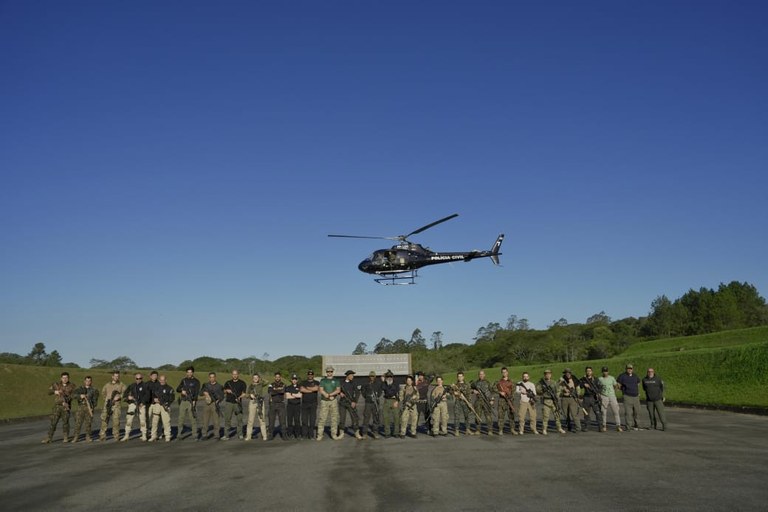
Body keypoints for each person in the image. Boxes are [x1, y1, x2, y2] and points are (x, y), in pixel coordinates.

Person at [43, 371, 76, 444]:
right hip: (57, 407)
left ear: (68, 378)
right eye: (63, 378)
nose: (65, 379)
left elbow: (74, 395)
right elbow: (48, 392)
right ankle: (49, 437)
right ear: (61, 378)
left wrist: (67, 401)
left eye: (66, 377)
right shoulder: (56, 385)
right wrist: (55, 392)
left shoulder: (72, 386)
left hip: (66, 406)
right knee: (53, 422)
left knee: (66, 423)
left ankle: (66, 437)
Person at [98, 370, 126, 441]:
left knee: (116, 421)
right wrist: (106, 399)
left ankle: (116, 436)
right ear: (112, 376)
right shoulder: (107, 385)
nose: (116, 377)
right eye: (115, 376)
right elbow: (103, 392)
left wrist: (120, 396)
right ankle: (102, 435)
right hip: (107, 404)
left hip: (116, 405)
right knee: (104, 419)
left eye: (118, 376)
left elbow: (126, 393)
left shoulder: (121, 385)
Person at [122, 372, 150, 441]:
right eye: (137, 378)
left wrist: (142, 403)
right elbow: (125, 394)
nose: (138, 380)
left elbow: (147, 395)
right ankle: (126, 435)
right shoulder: (132, 385)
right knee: (129, 420)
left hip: (141, 405)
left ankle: (144, 435)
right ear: (135, 378)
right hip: (132, 404)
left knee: (142, 420)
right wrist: (128, 397)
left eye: (140, 378)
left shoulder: (145, 385)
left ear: (142, 378)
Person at [316, 366, 342, 440]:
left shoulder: (336, 380)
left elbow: (338, 390)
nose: (329, 373)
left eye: (330, 372)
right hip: (324, 401)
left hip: (333, 401)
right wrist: (326, 395)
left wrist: (331, 394)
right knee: (322, 418)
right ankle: (320, 435)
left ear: (332, 372)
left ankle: (334, 434)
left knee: (334, 418)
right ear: (326, 372)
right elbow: (321, 389)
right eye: (328, 372)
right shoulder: (323, 380)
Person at [537, 369, 565, 435]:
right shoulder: (541, 382)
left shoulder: (554, 382)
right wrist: (542, 389)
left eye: (549, 374)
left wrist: (556, 396)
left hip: (554, 401)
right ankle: (544, 429)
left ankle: (559, 428)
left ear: (551, 375)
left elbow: (558, 390)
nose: (548, 375)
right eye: (546, 374)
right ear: (544, 375)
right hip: (546, 401)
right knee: (545, 416)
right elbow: (538, 391)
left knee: (557, 415)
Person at [176, 366, 200, 441]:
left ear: (193, 373)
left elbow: (196, 393)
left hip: (191, 401)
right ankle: (179, 435)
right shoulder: (183, 380)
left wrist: (194, 402)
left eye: (190, 372)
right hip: (183, 401)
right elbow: (177, 389)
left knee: (193, 418)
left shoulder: (196, 381)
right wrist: (181, 391)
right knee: (181, 418)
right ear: (186, 373)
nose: (189, 373)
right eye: (188, 372)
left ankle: (195, 435)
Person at [72, 376, 99, 443]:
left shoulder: (94, 390)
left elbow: (95, 400)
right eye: (86, 381)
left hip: (89, 407)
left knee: (88, 423)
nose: (88, 382)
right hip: (81, 407)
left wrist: (92, 407)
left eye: (89, 381)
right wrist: (80, 396)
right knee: (78, 423)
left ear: (91, 382)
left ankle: (88, 436)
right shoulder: (80, 389)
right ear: (84, 381)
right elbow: (73, 395)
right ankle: (76, 437)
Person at [222, 369, 247, 440]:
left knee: (239, 419)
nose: (235, 375)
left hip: (237, 403)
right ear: (231, 375)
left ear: (238, 374)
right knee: (227, 419)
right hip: (229, 403)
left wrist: (239, 397)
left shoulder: (242, 383)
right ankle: (226, 435)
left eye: (236, 374)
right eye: (233, 374)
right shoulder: (228, 382)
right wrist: (227, 390)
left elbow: (244, 393)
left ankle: (240, 434)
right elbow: (223, 390)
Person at [148, 375, 174, 442]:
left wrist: (164, 401)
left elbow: (171, 398)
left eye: (163, 380)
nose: (162, 381)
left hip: (165, 406)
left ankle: (167, 436)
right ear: (159, 380)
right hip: (157, 406)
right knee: (154, 422)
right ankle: (153, 436)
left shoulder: (169, 388)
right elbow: (152, 396)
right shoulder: (156, 388)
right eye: (161, 380)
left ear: (166, 380)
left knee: (166, 422)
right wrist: (155, 400)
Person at [617, 364, 643, 430]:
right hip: (627, 396)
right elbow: (618, 384)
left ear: (632, 369)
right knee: (628, 413)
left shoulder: (635, 375)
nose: (629, 370)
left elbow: (638, 383)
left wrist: (636, 391)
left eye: (631, 368)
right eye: (628, 368)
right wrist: (622, 390)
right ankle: (628, 426)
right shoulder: (622, 376)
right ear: (626, 369)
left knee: (637, 412)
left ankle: (637, 425)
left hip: (636, 396)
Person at [451, 371, 478, 436]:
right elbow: (451, 391)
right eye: (459, 376)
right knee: (457, 416)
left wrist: (470, 403)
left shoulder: (467, 385)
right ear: (457, 377)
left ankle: (467, 429)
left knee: (467, 416)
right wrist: (454, 393)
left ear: (463, 377)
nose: (460, 378)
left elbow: (469, 394)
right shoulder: (455, 385)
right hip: (457, 402)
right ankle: (457, 430)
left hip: (466, 402)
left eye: (461, 376)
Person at [339, 370, 363, 439]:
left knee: (354, 418)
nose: (353, 376)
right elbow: (337, 389)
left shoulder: (354, 383)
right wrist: (339, 393)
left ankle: (357, 433)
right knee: (342, 418)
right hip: (342, 403)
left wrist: (354, 402)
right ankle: (341, 433)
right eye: (351, 375)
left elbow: (358, 393)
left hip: (351, 402)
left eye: (353, 375)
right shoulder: (341, 383)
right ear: (347, 375)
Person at [598, 366, 623, 432]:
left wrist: (616, 389)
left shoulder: (612, 378)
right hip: (604, 396)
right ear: (602, 372)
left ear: (608, 372)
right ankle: (604, 425)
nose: (605, 372)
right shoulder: (600, 379)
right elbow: (598, 387)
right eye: (604, 371)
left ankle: (618, 425)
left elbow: (615, 386)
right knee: (603, 411)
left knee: (616, 411)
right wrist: (599, 395)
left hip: (612, 396)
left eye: (606, 371)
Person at [201, 372, 224, 440]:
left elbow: (222, 396)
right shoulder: (205, 385)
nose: (212, 378)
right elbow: (200, 393)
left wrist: (218, 400)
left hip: (215, 404)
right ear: (209, 378)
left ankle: (216, 435)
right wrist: (205, 393)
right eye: (210, 377)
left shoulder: (219, 386)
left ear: (215, 377)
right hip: (207, 404)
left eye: (213, 377)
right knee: (205, 420)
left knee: (216, 421)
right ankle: (204, 435)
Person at [579, 367, 604, 432]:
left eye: (590, 371)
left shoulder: (595, 379)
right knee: (586, 413)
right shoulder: (583, 379)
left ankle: (600, 427)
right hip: (586, 397)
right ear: (586, 372)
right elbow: (579, 384)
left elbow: (600, 387)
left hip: (594, 397)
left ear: (592, 372)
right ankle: (586, 426)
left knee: (598, 412)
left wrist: (597, 393)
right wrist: (584, 384)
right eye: (587, 371)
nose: (588, 372)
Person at [471, 370, 495, 435]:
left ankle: (490, 430)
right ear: (478, 375)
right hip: (478, 401)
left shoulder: (488, 383)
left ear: (484, 375)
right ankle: (478, 430)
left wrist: (492, 400)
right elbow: (469, 389)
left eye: (482, 374)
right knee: (477, 416)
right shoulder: (475, 383)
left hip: (486, 401)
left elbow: (492, 391)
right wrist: (473, 391)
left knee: (488, 416)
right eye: (480, 374)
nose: (481, 375)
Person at [245, 373, 267, 441]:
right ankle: (248, 436)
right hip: (252, 402)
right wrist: (250, 395)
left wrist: (261, 378)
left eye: (257, 377)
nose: (255, 379)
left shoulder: (261, 384)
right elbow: (246, 395)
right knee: (250, 420)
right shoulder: (250, 386)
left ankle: (264, 436)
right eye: (254, 378)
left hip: (260, 402)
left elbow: (267, 381)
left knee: (262, 419)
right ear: (252, 379)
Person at [558, 368, 582, 433]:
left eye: (569, 373)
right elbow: (558, 389)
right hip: (564, 398)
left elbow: (578, 388)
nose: (568, 374)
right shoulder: (561, 379)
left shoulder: (574, 378)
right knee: (566, 414)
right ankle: (569, 426)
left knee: (574, 414)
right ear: (565, 373)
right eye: (566, 373)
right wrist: (563, 389)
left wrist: (577, 395)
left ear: (570, 373)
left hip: (572, 398)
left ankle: (578, 428)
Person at [360, 371, 382, 439]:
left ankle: (375, 432)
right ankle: (364, 433)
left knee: (376, 417)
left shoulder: (378, 383)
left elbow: (380, 391)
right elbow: (363, 391)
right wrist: (367, 396)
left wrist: (377, 396)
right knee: (366, 418)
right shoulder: (366, 383)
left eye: (373, 376)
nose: (372, 377)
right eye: (371, 376)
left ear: (375, 377)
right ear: (369, 376)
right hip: (368, 403)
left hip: (375, 403)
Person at [496, 367, 516, 435]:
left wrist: (511, 397)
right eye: (503, 372)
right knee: (501, 416)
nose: (504, 373)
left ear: (507, 372)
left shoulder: (511, 381)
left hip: (510, 400)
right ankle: (500, 430)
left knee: (511, 415)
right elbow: (493, 388)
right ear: (501, 373)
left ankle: (512, 429)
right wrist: (500, 392)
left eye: (505, 372)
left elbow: (514, 390)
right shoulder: (498, 382)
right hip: (502, 401)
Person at [380, 370, 401, 438]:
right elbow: (383, 388)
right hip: (387, 400)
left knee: (396, 417)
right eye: (388, 376)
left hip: (394, 400)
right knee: (386, 417)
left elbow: (394, 391)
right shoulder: (384, 383)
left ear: (392, 377)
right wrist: (383, 381)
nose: (389, 378)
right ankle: (387, 433)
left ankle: (396, 432)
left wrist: (397, 401)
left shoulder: (395, 383)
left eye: (390, 376)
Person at [299, 370, 319, 440]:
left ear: (313, 375)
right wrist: (312, 390)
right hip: (305, 403)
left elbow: (317, 388)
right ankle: (304, 435)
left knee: (312, 420)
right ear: (307, 375)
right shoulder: (303, 382)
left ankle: (311, 435)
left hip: (313, 403)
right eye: (309, 374)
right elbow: (302, 389)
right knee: (304, 420)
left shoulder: (317, 382)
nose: (310, 376)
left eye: (311, 374)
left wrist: (307, 388)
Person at [267, 372, 287, 440]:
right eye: (276, 377)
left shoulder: (283, 384)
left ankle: (284, 435)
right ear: (274, 377)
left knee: (283, 420)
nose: (277, 378)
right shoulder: (271, 384)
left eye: (279, 377)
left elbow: (283, 391)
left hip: (281, 404)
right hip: (272, 404)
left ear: (280, 377)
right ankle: (271, 435)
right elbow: (270, 391)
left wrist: (275, 390)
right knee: (271, 420)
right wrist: (278, 390)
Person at [284, 374, 302, 440]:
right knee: (289, 420)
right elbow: (287, 397)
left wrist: (291, 394)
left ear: (297, 380)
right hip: (290, 406)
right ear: (291, 380)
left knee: (297, 420)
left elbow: (300, 395)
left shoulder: (300, 387)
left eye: (295, 379)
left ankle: (297, 434)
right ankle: (290, 434)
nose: (294, 380)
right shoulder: (288, 387)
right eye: (293, 379)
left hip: (297, 405)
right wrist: (296, 395)